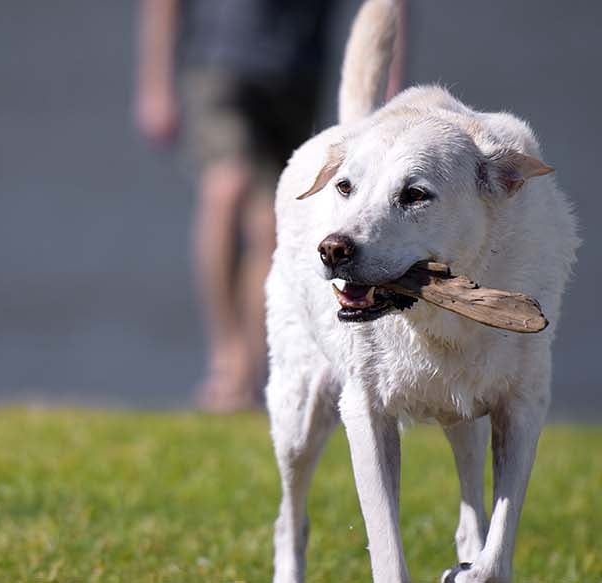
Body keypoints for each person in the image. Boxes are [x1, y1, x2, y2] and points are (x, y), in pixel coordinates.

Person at [136, 0, 405, 412]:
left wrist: (389, 70)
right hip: (216, 64)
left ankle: (249, 369)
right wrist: (155, 83)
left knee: (270, 223)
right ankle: (226, 359)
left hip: (295, 70)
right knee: (227, 185)